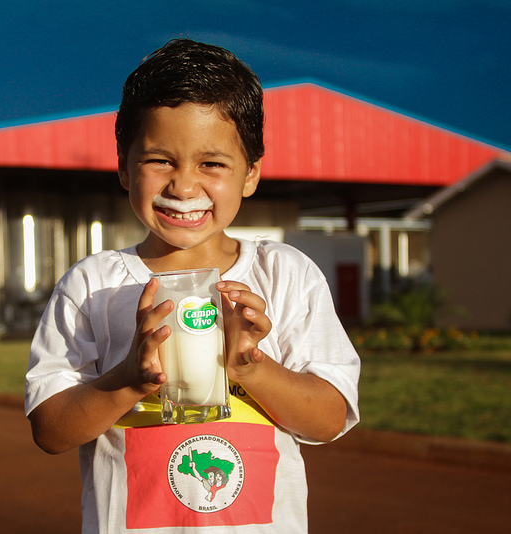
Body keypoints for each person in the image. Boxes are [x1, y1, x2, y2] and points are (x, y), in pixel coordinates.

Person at [25, 38, 360, 533]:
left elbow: (329, 417)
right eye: (160, 160)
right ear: (123, 166)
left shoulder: (285, 275)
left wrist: (251, 365)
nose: (183, 187)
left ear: (251, 173)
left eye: (212, 164)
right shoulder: (94, 285)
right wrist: (129, 380)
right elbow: (50, 429)